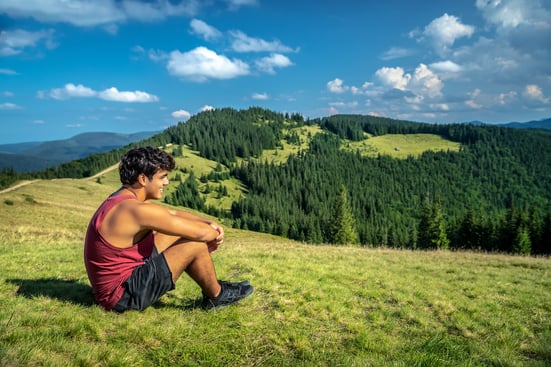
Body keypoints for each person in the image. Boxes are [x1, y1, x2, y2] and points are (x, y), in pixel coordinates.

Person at [84, 146, 253, 312]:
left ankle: (213, 286)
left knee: (172, 234)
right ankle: (217, 295)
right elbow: (202, 234)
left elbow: (171, 213)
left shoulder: (122, 200)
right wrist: (214, 232)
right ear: (143, 179)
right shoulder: (136, 210)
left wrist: (208, 222)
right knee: (194, 243)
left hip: (121, 284)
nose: (166, 182)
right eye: (162, 177)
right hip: (122, 297)